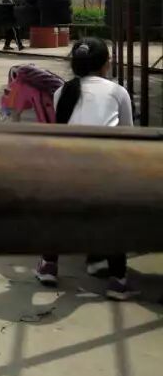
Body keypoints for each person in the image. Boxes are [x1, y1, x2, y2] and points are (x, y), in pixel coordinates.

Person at [35, 38, 136, 300]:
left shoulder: (62, 91)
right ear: (105, 64)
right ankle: (118, 281)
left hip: (66, 167)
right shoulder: (118, 92)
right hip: (103, 167)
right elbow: (128, 134)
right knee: (114, 218)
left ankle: (49, 265)